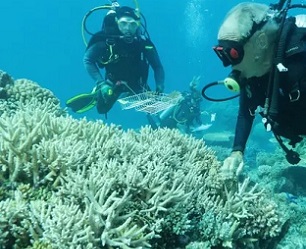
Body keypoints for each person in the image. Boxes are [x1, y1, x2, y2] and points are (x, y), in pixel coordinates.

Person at [212, 1, 306, 176]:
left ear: (261, 41)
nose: (230, 66)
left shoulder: (300, 58)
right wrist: (237, 152)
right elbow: (246, 112)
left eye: (233, 54)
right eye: (223, 55)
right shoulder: (253, 74)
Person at [67, 6, 165, 116]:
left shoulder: (143, 43)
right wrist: (101, 83)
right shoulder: (104, 39)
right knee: (102, 109)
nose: (128, 28)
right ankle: (98, 92)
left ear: (137, 25)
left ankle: (125, 94)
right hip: (112, 84)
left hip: (138, 85)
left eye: (132, 24)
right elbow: (88, 60)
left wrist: (159, 86)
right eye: (123, 23)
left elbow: (157, 66)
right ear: (117, 22)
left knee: (152, 110)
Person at [147, 76, 215, 134]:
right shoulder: (185, 102)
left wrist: (202, 126)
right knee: (158, 131)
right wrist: (199, 113)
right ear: (192, 97)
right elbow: (185, 116)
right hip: (171, 122)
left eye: (198, 101)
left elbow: (196, 122)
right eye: (195, 100)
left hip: (180, 128)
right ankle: (149, 116)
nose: (196, 103)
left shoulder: (196, 106)